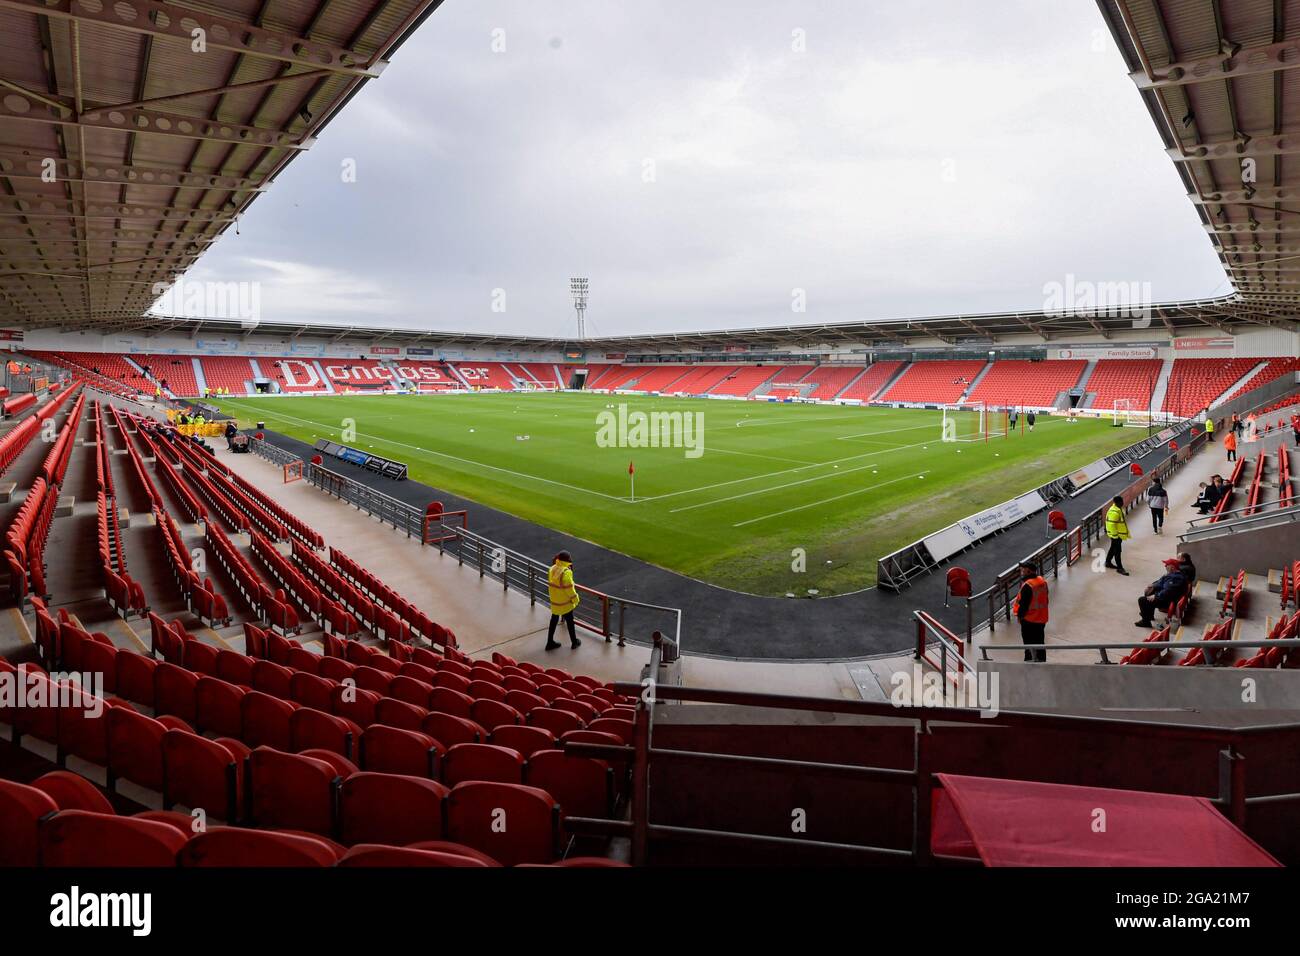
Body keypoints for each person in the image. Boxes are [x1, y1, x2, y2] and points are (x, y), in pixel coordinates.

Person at [545, 551, 582, 651]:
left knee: (554, 620)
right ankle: (574, 642)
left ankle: (549, 642)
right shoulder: (566, 572)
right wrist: (576, 599)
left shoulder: (552, 568)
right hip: (565, 603)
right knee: (570, 622)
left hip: (555, 601)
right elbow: (570, 589)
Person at [1135, 559, 1188, 628]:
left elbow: (1168, 591)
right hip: (1167, 596)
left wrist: (1156, 596)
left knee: (1142, 600)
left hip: (1168, 600)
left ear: (1172, 567)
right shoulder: (1172, 574)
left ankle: (1145, 622)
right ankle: (1149, 615)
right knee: (1150, 592)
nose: (1165, 566)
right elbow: (1161, 583)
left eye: (1167, 565)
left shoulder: (1176, 578)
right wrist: (1153, 585)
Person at [1012, 561, 1048, 662]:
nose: (1021, 570)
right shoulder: (1042, 582)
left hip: (1029, 620)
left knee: (1028, 643)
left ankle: (1029, 661)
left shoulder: (1028, 585)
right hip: (1041, 618)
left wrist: (1020, 617)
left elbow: (1024, 605)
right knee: (1040, 642)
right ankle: (1041, 661)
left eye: (1023, 569)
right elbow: (1046, 599)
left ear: (1028, 571)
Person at [1104, 495, 1130, 576]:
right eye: (1121, 502)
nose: (1122, 503)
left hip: (1117, 535)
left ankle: (1108, 562)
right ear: (1118, 502)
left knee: (1113, 548)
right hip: (1116, 535)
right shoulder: (1114, 512)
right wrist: (1115, 536)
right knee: (1118, 551)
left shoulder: (1117, 509)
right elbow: (1111, 525)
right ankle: (1120, 568)